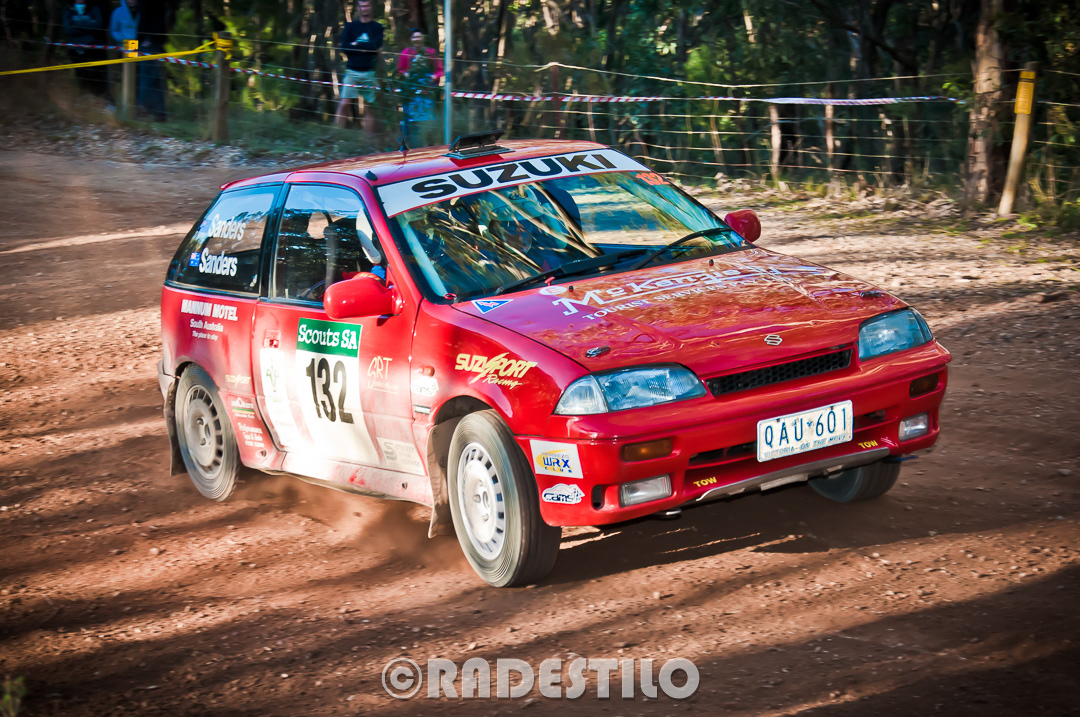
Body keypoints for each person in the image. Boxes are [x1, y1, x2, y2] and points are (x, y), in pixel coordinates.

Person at [336, 0, 384, 133]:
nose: (364, 8)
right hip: (352, 71)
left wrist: (356, 45)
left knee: (370, 107)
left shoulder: (377, 27)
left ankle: (368, 141)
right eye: (362, 6)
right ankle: (336, 136)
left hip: (369, 72)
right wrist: (366, 48)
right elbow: (344, 48)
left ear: (371, 7)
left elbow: (375, 47)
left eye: (367, 5)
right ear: (358, 8)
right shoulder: (350, 27)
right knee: (344, 103)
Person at [396, 28, 442, 148]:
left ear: (423, 38)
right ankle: (409, 147)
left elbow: (439, 70)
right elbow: (400, 70)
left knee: (428, 122)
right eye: (414, 37)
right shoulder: (405, 53)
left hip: (426, 94)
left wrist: (433, 77)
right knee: (410, 122)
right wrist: (405, 74)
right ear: (411, 39)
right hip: (410, 95)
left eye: (419, 36)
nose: (417, 39)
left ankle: (430, 147)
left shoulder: (431, 53)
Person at [62, 1, 108, 97]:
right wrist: (88, 25)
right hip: (75, 49)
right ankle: (81, 96)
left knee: (96, 74)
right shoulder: (68, 10)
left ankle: (97, 96)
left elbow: (98, 26)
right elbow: (68, 29)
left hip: (93, 48)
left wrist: (77, 24)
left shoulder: (94, 8)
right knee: (80, 74)